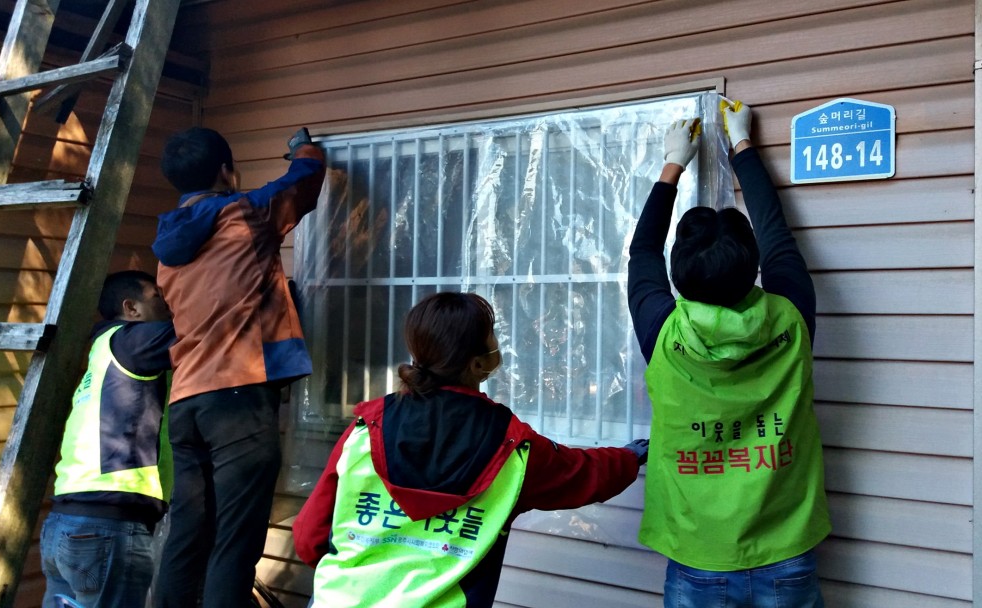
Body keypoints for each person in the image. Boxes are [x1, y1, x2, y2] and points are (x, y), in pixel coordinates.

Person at [292, 291, 649, 608]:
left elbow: (310, 539)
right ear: (477, 364)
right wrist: (631, 455)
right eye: (492, 337)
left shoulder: (366, 428)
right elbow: (582, 472)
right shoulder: (511, 445)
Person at [628, 103, 831, 607]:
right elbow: (777, 235)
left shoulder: (662, 329)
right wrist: (741, 145)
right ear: (753, 267)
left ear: (679, 277)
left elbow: (642, 253)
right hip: (787, 550)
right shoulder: (791, 318)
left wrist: (673, 164)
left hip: (697, 555)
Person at [150, 126, 326, 607]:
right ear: (228, 171)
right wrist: (302, 149)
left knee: (187, 536)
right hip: (238, 398)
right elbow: (305, 179)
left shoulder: (168, 245)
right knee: (235, 541)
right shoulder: (244, 213)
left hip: (186, 401)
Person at [40, 270, 175, 608]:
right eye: (158, 298)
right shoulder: (133, 341)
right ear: (131, 309)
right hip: (107, 527)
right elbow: (204, 330)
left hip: (63, 525)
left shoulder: (104, 349)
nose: (169, 304)